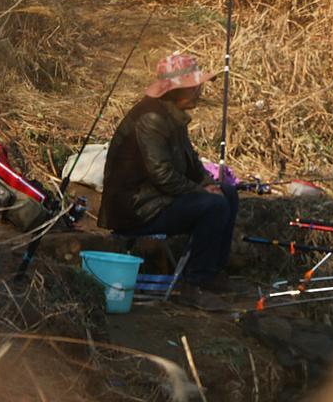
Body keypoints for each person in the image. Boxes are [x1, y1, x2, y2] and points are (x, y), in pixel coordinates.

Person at [99, 52, 237, 311]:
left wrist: (208, 183)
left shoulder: (174, 115)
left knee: (227, 193)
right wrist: (200, 191)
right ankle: (194, 284)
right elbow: (161, 174)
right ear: (177, 90)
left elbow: (191, 161)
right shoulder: (151, 119)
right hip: (138, 209)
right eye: (194, 86)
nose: (199, 90)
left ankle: (212, 272)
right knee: (214, 205)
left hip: (158, 199)